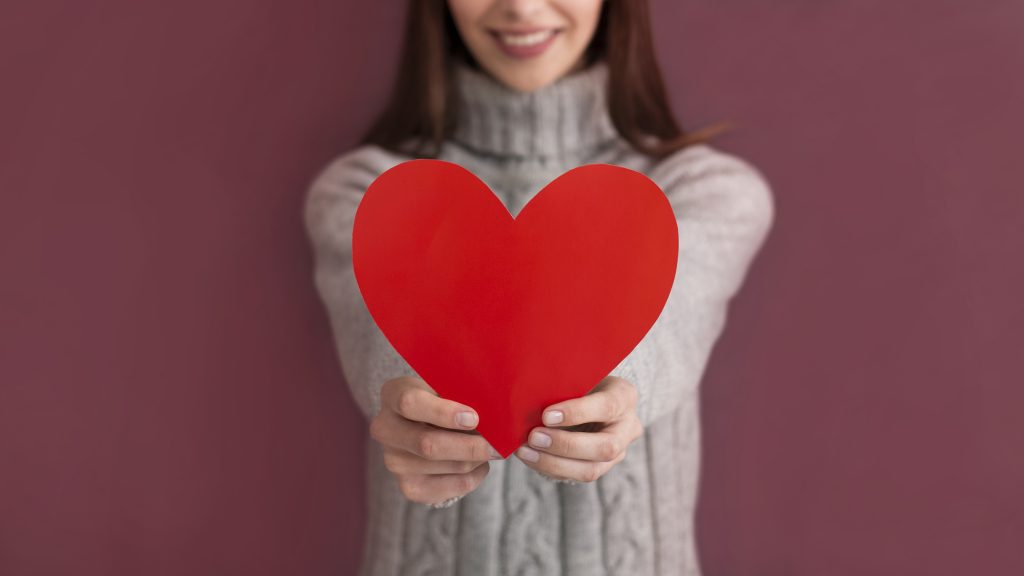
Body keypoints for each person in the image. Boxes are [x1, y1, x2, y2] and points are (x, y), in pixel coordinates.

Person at [303, 0, 775, 574]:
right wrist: (408, 404)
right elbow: (378, 340)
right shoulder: (362, 197)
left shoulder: (707, 193)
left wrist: (623, 390)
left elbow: (676, 313)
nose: (522, 7)